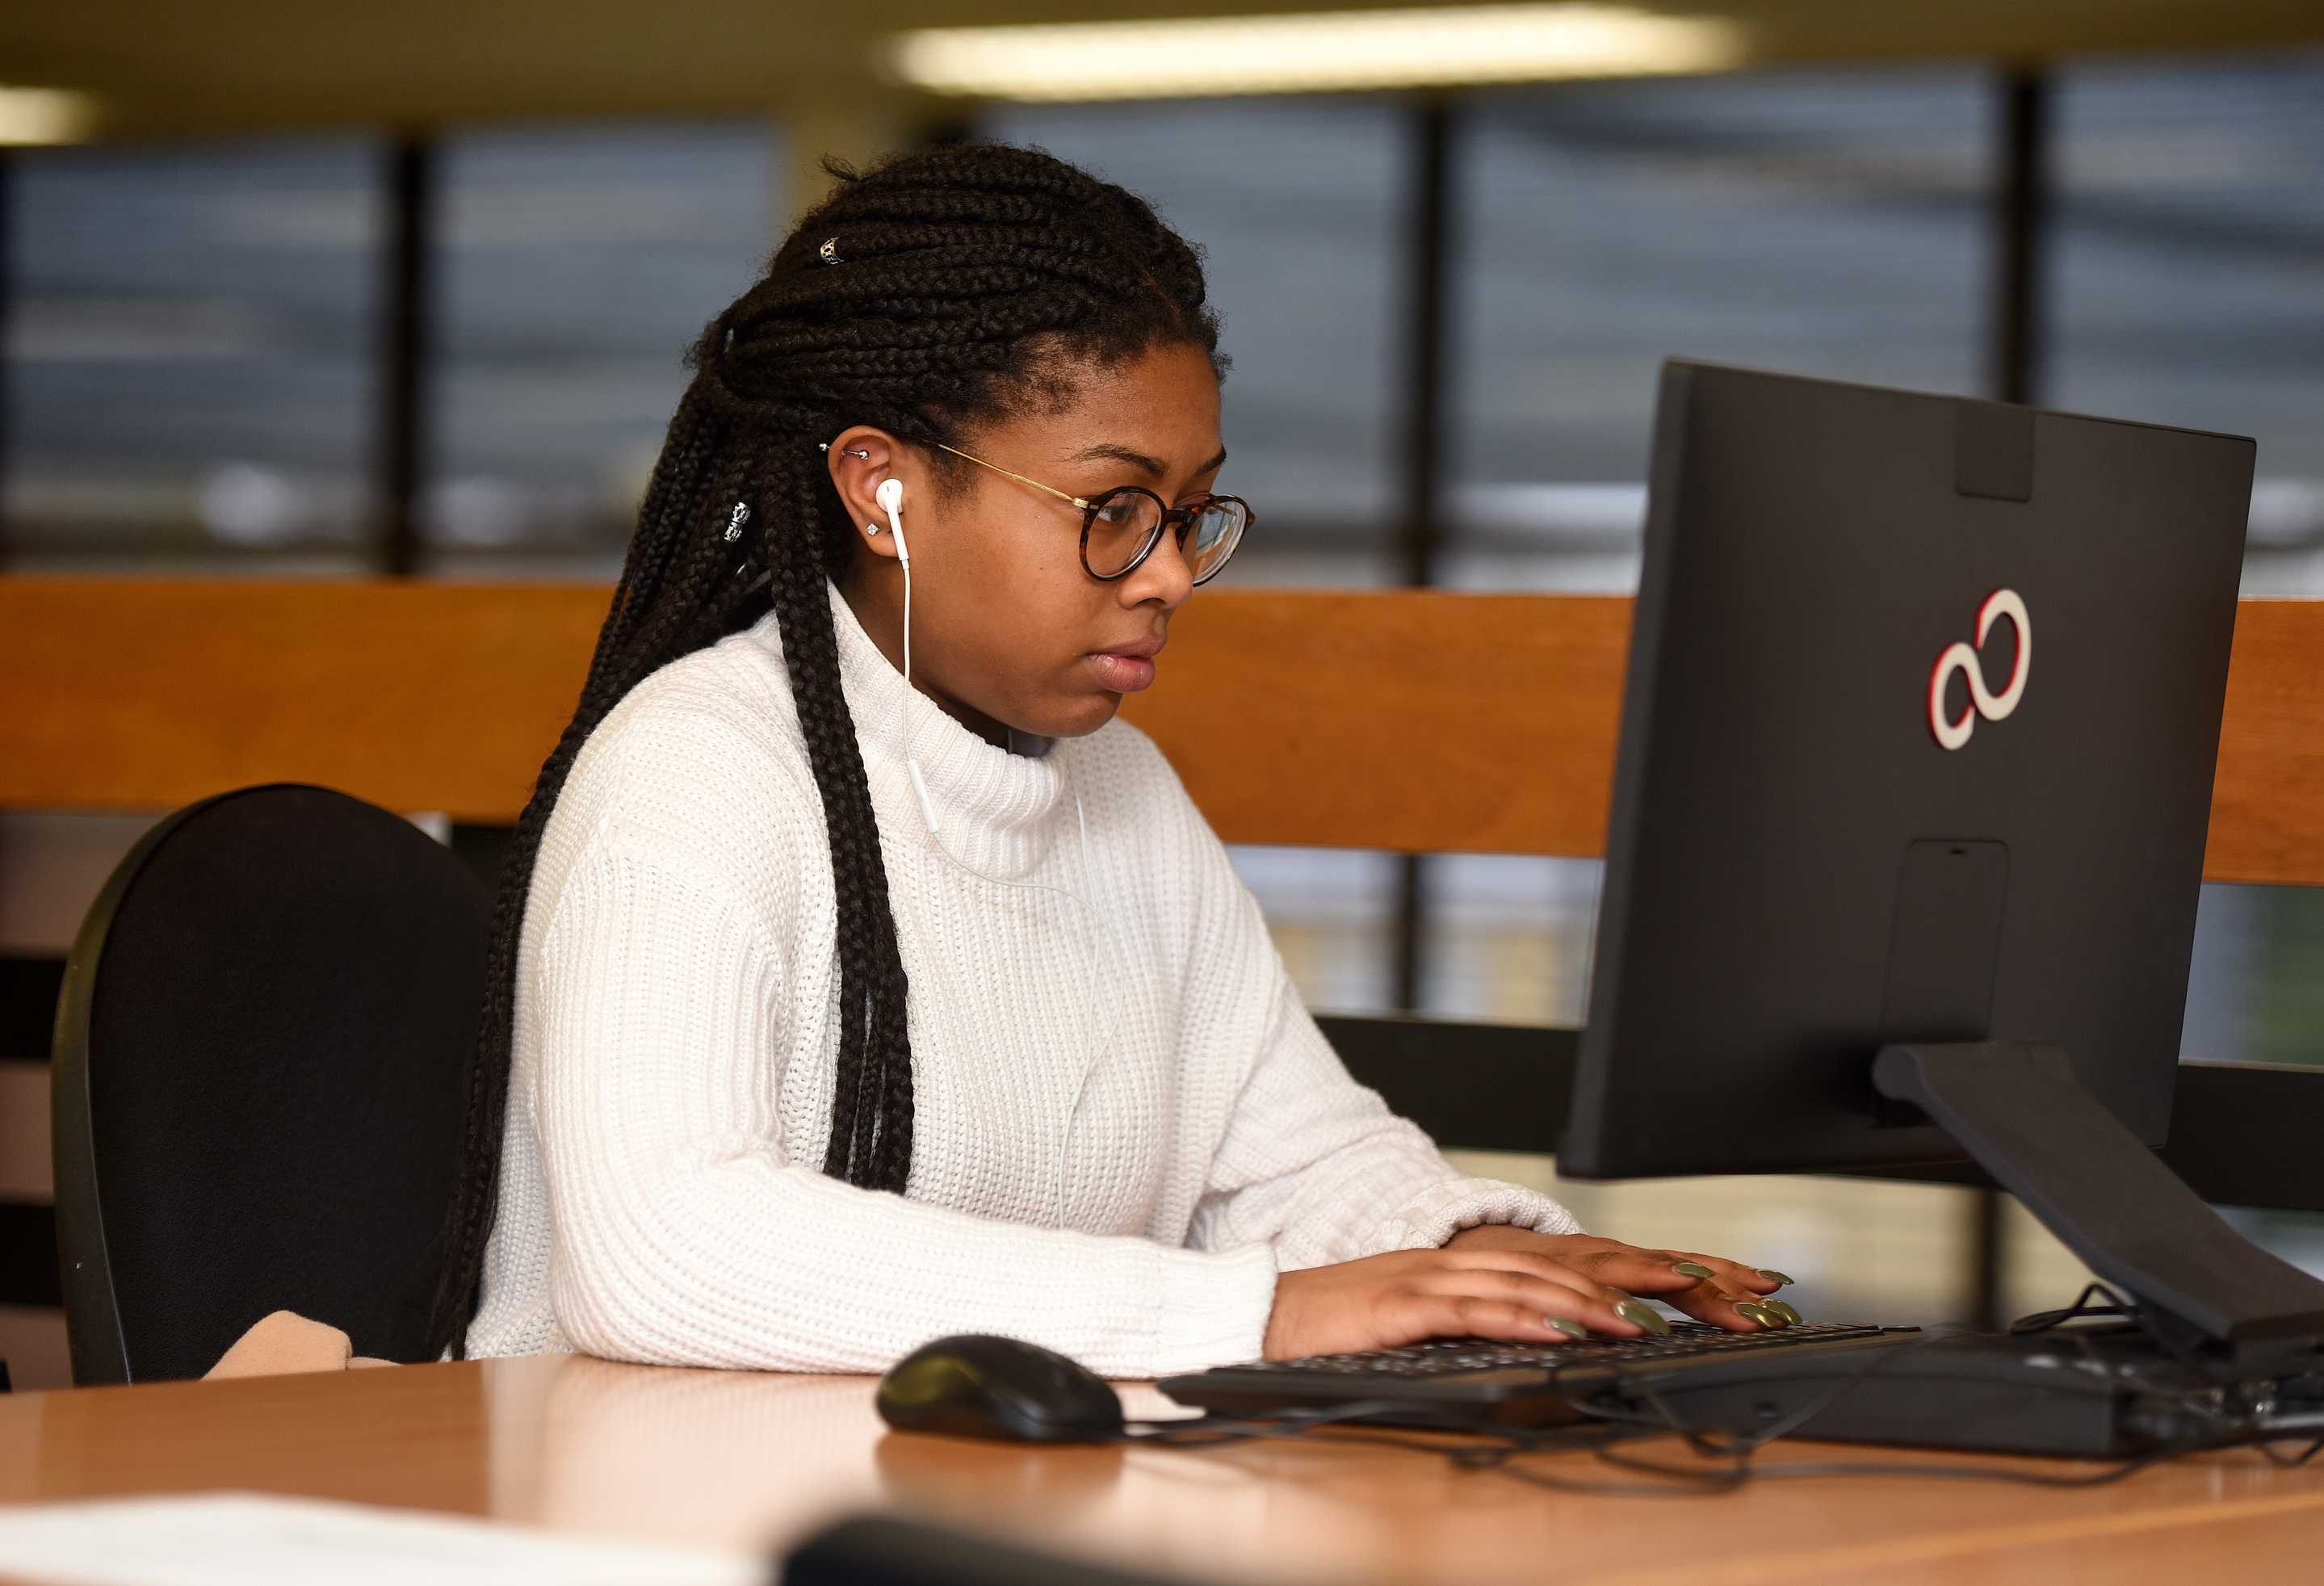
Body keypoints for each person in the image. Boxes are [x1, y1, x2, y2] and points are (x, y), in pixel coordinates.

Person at [428, 141, 1797, 1375]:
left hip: (969, 1500)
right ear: (879, 485)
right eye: (1112, 508)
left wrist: (1468, 1257)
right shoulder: (696, 772)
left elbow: (1288, 1162)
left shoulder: (1120, 792)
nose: (1168, 579)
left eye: (1190, 516)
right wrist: (1252, 1315)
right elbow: (668, 1256)